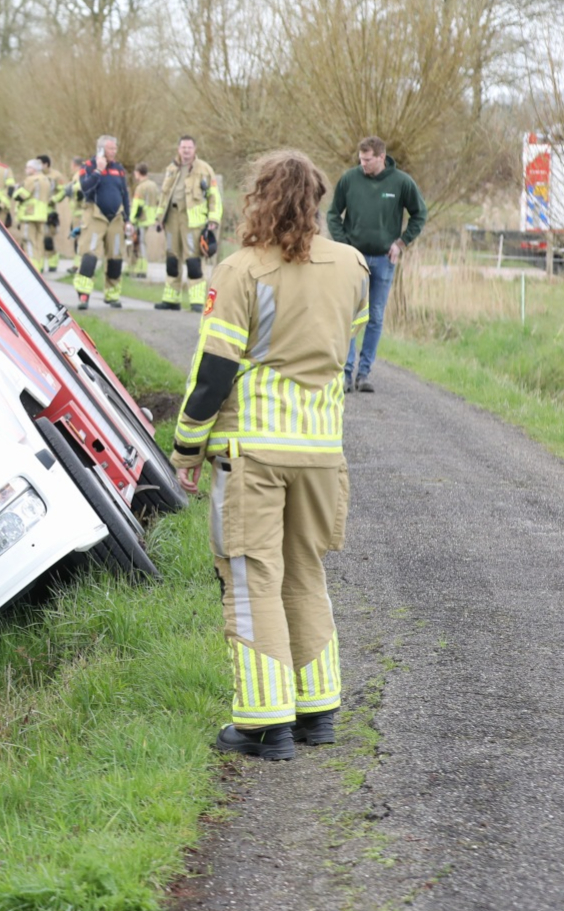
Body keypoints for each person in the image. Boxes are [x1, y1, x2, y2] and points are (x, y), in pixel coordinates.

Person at [169, 149, 369, 761]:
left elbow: (213, 374)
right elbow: (343, 345)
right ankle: (317, 710)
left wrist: (187, 447)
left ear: (259, 198)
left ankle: (263, 723)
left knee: (252, 578)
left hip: (254, 452)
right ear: (318, 200)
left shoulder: (241, 271)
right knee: (305, 573)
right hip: (322, 452)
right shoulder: (353, 266)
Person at [327, 136, 426, 393]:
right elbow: (333, 214)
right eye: (360, 159)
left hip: (384, 259)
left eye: (368, 160)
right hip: (354, 259)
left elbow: (419, 214)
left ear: (381, 157)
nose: (363, 164)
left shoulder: (401, 182)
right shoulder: (349, 179)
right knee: (351, 314)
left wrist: (401, 243)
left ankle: (364, 373)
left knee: (375, 316)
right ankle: (346, 374)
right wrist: (344, 245)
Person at [155, 135, 222, 311]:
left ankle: (197, 301)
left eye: (189, 148)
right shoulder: (171, 168)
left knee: (193, 261)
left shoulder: (205, 169)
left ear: (195, 149)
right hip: (172, 218)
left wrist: (213, 219)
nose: (186, 151)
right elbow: (164, 196)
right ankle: (171, 299)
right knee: (172, 258)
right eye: (183, 147)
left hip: (192, 221)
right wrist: (159, 218)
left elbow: (214, 197)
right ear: (178, 149)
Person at [74, 136, 131, 308]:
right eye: (110, 149)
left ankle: (112, 295)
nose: (114, 152)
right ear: (100, 149)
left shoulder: (119, 169)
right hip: (95, 217)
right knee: (90, 256)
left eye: (115, 148)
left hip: (116, 219)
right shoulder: (88, 166)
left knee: (115, 258)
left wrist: (128, 220)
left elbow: (124, 195)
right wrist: (98, 170)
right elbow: (85, 188)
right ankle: (84, 295)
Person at [15, 157, 55, 270]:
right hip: (42, 215)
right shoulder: (47, 180)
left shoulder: (31, 180)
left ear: (34, 169)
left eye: (28, 167)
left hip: (29, 214)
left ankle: (32, 267)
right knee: (39, 242)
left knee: (28, 240)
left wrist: (16, 190)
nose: (26, 170)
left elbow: (22, 195)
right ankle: (39, 265)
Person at [128, 163, 157, 280]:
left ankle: (141, 269)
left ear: (138, 173)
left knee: (140, 244)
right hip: (150, 218)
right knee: (142, 243)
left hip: (141, 219)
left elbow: (137, 206)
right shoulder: (153, 186)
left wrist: (132, 220)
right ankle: (138, 267)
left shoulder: (140, 187)